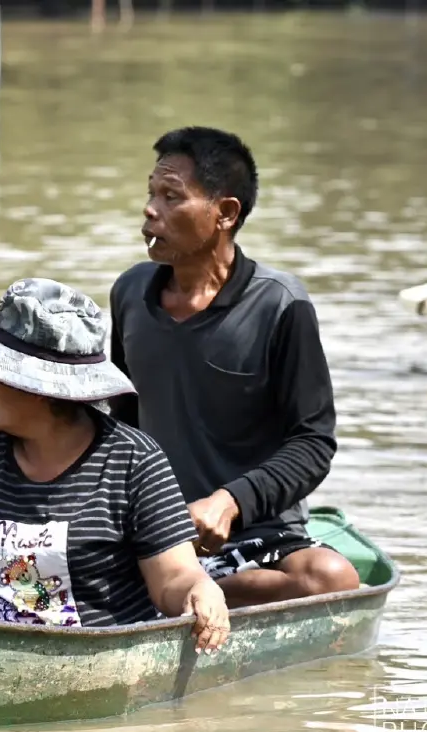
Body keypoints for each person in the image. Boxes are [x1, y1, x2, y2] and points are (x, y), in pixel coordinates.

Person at [0, 278, 229, 652]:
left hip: (103, 661)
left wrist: (200, 589)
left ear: (37, 389)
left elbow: (173, 578)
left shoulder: (133, 460)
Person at [108, 126, 360, 608]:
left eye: (171, 197)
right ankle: (175, 592)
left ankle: (190, 598)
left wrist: (230, 502)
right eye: (151, 193)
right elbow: (120, 425)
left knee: (330, 578)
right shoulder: (130, 293)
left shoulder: (280, 304)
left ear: (225, 213)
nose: (150, 209)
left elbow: (313, 443)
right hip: (157, 538)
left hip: (256, 536)